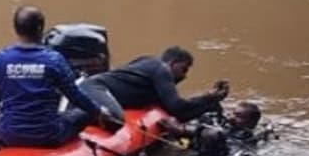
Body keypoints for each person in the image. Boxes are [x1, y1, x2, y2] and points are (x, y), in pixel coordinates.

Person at [0, 5, 108, 147]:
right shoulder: (54, 60)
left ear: (15, 28)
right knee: (82, 114)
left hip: (10, 135)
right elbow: (75, 96)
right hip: (48, 135)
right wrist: (98, 112)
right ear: (41, 28)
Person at [79, 45, 228, 124]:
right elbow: (176, 105)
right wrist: (206, 96)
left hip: (97, 88)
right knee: (116, 118)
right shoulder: (161, 69)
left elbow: (179, 114)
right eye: (183, 69)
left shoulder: (153, 74)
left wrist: (211, 101)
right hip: (97, 88)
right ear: (173, 63)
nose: (184, 76)